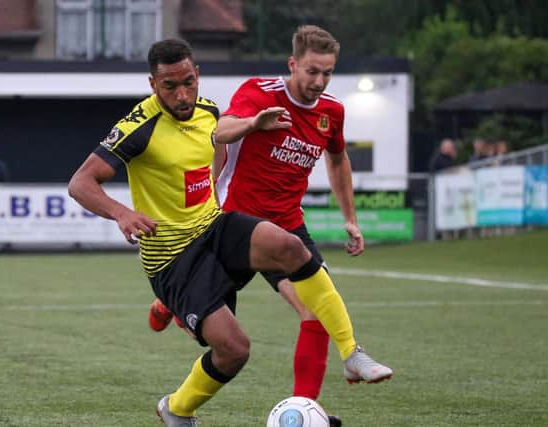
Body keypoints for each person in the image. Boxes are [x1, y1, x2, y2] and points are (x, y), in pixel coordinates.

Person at [69, 38, 389, 427]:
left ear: (198, 75)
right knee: (234, 350)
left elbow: (217, 147)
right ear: (154, 85)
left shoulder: (207, 112)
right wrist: (121, 213)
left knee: (289, 246)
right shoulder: (140, 126)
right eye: (170, 86)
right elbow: (81, 183)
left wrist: (240, 146)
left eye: (189, 82)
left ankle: (351, 353)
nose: (183, 94)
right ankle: (177, 408)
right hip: (173, 259)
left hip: (213, 227)